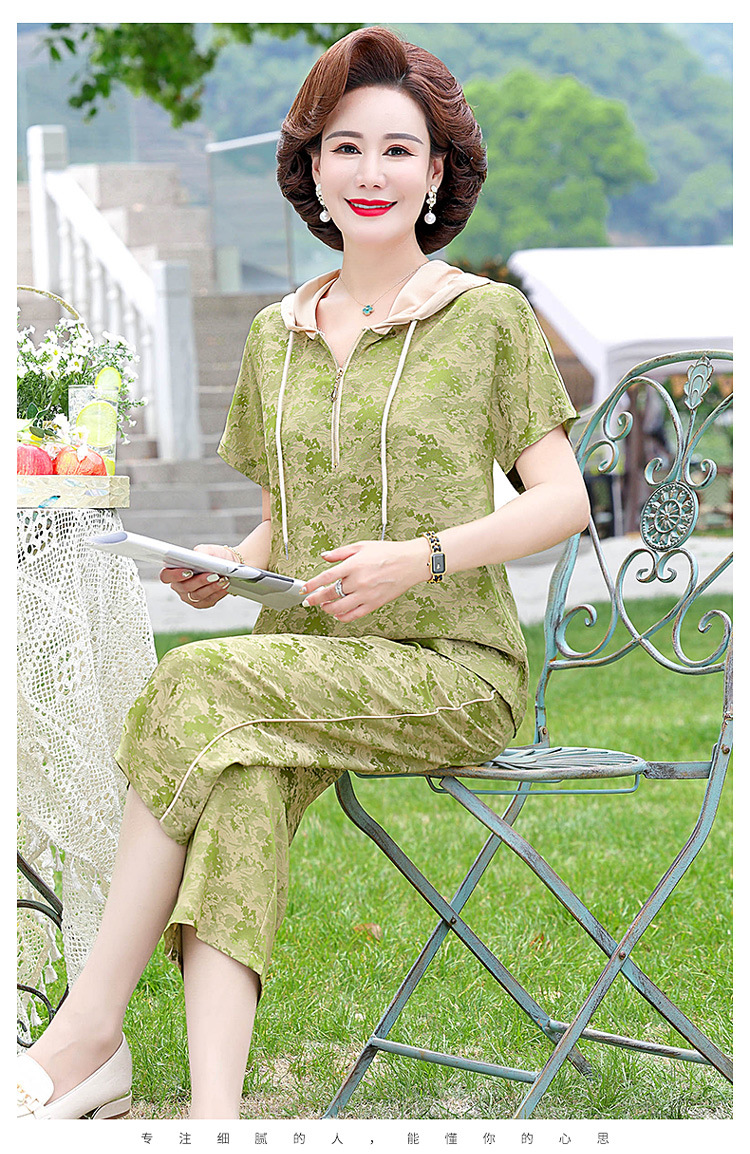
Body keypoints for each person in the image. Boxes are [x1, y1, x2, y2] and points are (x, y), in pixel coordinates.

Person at [17, 26, 590, 1121]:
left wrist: (421, 557)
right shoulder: (274, 335)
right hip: (305, 664)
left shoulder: (487, 318)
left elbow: (562, 502)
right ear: (312, 169)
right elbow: (284, 517)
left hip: (451, 669)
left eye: (397, 150)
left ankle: (88, 1030)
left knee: (194, 683)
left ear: (437, 172)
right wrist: (231, 567)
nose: (371, 172)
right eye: (346, 147)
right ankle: (216, 1118)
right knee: (234, 778)